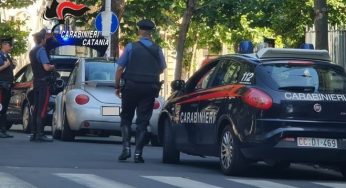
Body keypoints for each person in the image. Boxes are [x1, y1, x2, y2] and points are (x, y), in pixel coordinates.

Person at [115, 19, 166, 163]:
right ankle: (138, 154)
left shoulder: (131, 47)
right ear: (151, 33)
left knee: (126, 117)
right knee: (143, 121)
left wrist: (117, 86)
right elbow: (162, 68)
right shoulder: (157, 49)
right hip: (149, 88)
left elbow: (120, 69)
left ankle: (126, 148)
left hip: (130, 87)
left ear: (139, 31)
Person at [29, 29, 55, 142]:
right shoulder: (42, 50)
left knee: (36, 108)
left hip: (36, 82)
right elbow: (46, 67)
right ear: (43, 39)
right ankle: (40, 133)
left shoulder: (32, 51)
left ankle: (34, 133)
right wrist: (52, 66)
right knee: (43, 108)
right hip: (44, 83)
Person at [0, 38, 15, 138]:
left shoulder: (7, 56)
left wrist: (12, 66)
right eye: (10, 45)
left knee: (4, 108)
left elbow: (8, 67)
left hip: (7, 85)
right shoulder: (0, 55)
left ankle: (3, 130)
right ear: (4, 45)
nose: (11, 47)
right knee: (1, 108)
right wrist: (5, 65)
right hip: (2, 85)